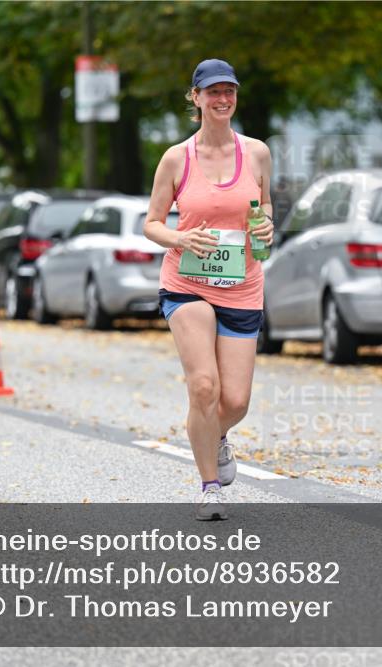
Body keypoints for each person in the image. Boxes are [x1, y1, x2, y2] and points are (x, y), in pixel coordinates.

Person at [143, 59, 274, 521]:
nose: (222, 99)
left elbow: (262, 211)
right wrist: (179, 238)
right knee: (204, 386)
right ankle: (210, 487)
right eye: (212, 92)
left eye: (229, 91)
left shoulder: (256, 153)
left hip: (242, 285)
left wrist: (265, 231)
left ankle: (212, 435)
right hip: (186, 282)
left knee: (234, 401)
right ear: (195, 98)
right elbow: (152, 223)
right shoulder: (177, 158)